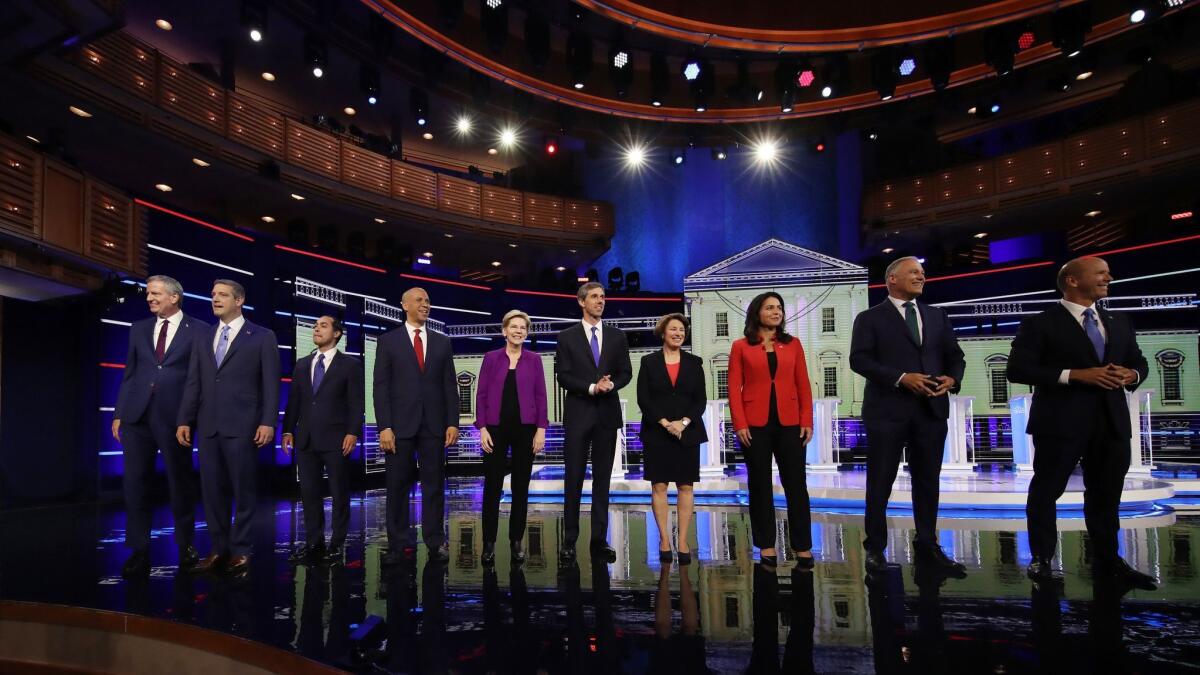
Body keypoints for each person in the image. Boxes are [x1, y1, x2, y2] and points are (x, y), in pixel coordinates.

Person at [1007, 256, 1155, 590]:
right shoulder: (1041, 322)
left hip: (1111, 423)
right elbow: (1017, 370)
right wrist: (1074, 375)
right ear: (1072, 280)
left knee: (1105, 495)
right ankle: (1042, 559)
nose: (1109, 277)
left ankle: (1108, 561)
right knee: (1046, 492)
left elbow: (1139, 362)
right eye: (1101, 273)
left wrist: (1131, 374)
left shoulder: (1119, 321)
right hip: (1060, 424)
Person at [849, 256, 966, 577]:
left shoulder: (937, 316)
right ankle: (875, 548)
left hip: (931, 411)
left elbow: (955, 356)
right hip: (887, 411)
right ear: (892, 280)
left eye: (923, 272)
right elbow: (859, 360)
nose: (921, 276)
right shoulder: (869, 318)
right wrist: (902, 377)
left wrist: (951, 379)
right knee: (880, 482)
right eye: (914, 272)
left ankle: (927, 544)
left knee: (928, 481)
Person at [176, 279, 279, 576]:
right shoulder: (203, 336)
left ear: (239, 300)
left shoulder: (261, 336)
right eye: (212, 295)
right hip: (208, 426)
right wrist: (185, 418)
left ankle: (242, 550)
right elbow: (194, 381)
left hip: (243, 426)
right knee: (211, 492)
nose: (215, 299)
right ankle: (218, 549)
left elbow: (271, 385)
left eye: (222, 295)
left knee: (242, 490)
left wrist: (268, 421)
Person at [112, 275, 208, 577]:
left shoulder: (200, 331)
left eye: (155, 294)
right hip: (136, 417)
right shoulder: (139, 328)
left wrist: (189, 418)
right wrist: (119, 413)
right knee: (135, 484)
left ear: (174, 297)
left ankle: (186, 546)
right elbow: (131, 373)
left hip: (175, 418)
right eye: (149, 294)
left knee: (180, 483)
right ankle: (139, 550)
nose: (149, 298)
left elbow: (199, 380)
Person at [728, 292, 814, 568]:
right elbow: (733, 389)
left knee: (796, 485)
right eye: (770, 307)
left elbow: (803, 384)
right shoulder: (741, 347)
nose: (776, 312)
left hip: (790, 423)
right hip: (755, 425)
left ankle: (802, 545)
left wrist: (807, 419)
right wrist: (740, 423)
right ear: (757, 313)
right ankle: (766, 544)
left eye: (779, 308)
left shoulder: (793, 345)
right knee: (760, 484)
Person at [373, 287, 458, 564]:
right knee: (397, 486)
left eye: (428, 301)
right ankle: (397, 543)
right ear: (405, 304)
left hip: (433, 425)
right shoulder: (388, 341)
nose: (425, 305)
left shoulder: (442, 342)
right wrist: (384, 426)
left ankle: (435, 541)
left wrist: (452, 423)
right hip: (399, 426)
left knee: (434, 486)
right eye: (420, 300)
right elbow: (380, 387)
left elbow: (449, 385)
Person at [554, 282, 632, 563]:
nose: (600, 301)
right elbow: (562, 376)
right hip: (578, 414)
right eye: (595, 297)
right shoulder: (566, 337)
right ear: (581, 301)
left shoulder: (616, 336)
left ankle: (599, 540)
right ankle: (569, 540)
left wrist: (611, 385)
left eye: (603, 297)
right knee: (573, 478)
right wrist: (591, 387)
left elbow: (626, 372)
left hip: (606, 415)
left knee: (602, 480)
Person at [282, 315, 364, 566]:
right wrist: (287, 431)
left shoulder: (349, 365)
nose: (316, 329)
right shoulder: (302, 364)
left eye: (323, 326)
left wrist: (352, 432)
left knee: (339, 493)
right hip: (306, 439)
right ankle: (313, 543)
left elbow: (355, 403)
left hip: (337, 438)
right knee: (309, 493)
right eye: (315, 326)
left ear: (337, 333)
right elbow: (294, 400)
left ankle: (337, 545)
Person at [474, 310, 548, 567]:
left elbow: (541, 395)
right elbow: (481, 394)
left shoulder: (534, 360)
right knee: (492, 487)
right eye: (513, 327)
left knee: (520, 488)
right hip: (494, 429)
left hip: (526, 429)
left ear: (526, 333)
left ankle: (516, 541)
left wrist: (541, 429)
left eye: (523, 328)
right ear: (504, 331)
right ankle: (489, 543)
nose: (518, 331)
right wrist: (481, 427)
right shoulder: (491, 358)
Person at [637, 313, 707, 565]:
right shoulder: (648, 362)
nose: (678, 333)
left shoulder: (694, 362)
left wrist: (684, 423)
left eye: (682, 330)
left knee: (686, 486)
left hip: (687, 432)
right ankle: (664, 539)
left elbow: (700, 400)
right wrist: (666, 423)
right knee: (659, 486)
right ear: (663, 333)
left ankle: (683, 540)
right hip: (658, 432)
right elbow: (644, 399)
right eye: (674, 329)